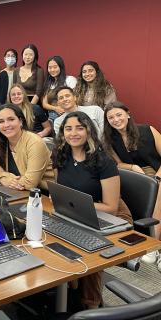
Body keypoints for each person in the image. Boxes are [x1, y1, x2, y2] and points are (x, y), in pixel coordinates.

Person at [52, 111, 132, 309]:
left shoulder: (104, 162)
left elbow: (112, 207)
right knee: (53, 239)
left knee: (90, 250)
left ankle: (91, 304)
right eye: (68, 129)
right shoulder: (61, 156)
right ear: (62, 133)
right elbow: (62, 189)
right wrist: (72, 205)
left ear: (89, 132)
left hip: (113, 216)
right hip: (79, 211)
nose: (74, 133)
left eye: (80, 128)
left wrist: (76, 204)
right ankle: (69, 287)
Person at [103, 102, 161, 240]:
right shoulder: (110, 140)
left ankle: (154, 241)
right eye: (111, 118)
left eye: (119, 115)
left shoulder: (148, 130)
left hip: (158, 172)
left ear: (128, 114)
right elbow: (117, 165)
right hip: (136, 177)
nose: (116, 120)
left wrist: (157, 177)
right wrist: (133, 167)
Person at [0, 104, 54, 191]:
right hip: (15, 191)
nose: (6, 125)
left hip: (45, 195)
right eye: (1, 121)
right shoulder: (1, 141)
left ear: (21, 121)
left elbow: (29, 184)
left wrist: (2, 173)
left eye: (11, 119)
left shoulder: (35, 143)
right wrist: (1, 179)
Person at [42, 56, 77, 120]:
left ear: (61, 67)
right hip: (52, 115)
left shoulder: (69, 80)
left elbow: (75, 99)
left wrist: (64, 108)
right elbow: (44, 104)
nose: (52, 70)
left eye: (55, 67)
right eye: (50, 67)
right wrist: (56, 108)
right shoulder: (49, 83)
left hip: (69, 114)